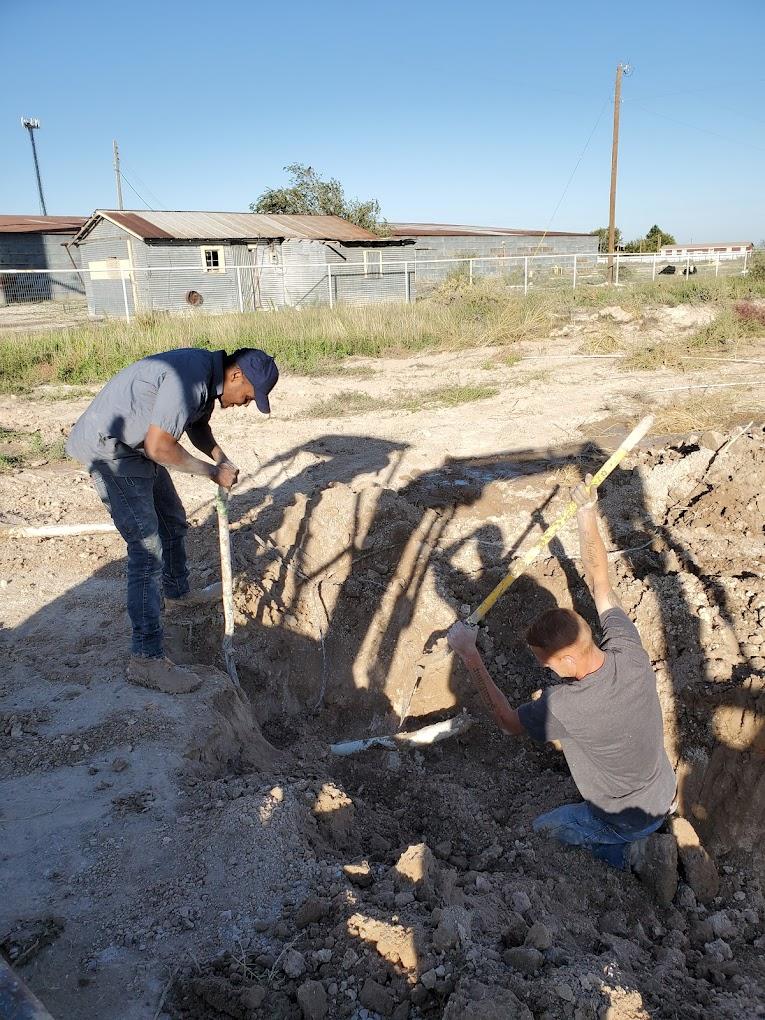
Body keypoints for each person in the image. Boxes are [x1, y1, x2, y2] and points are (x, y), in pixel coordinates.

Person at [447, 474, 678, 905]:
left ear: (568, 660)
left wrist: (470, 656)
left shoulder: (566, 707)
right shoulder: (628, 649)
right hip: (663, 791)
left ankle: (634, 856)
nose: (542, 669)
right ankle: (654, 830)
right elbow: (601, 586)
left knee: (541, 834)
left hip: (624, 820)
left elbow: (508, 723)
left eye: (544, 661)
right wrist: (588, 513)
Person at [66, 347, 279, 694]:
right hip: (111, 449)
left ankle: (178, 593)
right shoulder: (190, 377)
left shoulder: (207, 379)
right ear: (237, 375)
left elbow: (197, 427)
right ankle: (146, 658)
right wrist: (210, 472)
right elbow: (160, 447)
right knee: (147, 548)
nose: (245, 403)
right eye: (249, 397)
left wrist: (221, 459)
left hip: (136, 445)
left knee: (173, 521)